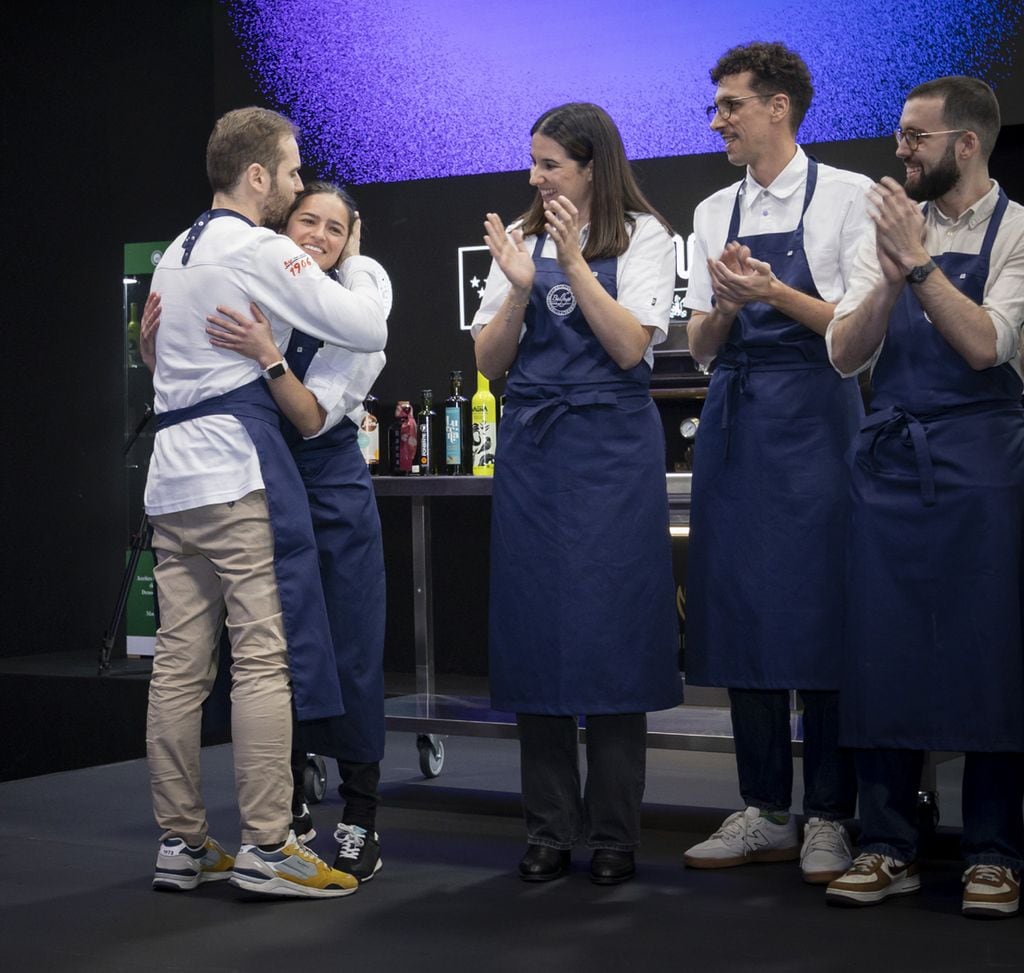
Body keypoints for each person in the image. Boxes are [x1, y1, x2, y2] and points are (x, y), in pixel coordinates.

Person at [144, 107, 386, 899]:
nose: (294, 187)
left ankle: (181, 843)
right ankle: (269, 843)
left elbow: (160, 353)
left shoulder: (174, 253)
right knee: (262, 658)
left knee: (179, 666)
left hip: (168, 479)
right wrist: (329, 272)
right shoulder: (255, 246)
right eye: (289, 174)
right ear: (256, 177)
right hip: (231, 473)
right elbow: (358, 319)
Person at [824, 76, 1024, 918]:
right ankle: (887, 842)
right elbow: (843, 353)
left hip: (984, 467)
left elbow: (986, 344)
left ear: (967, 145)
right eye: (901, 135)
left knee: (989, 657)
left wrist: (920, 265)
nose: (900, 150)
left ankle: (994, 850)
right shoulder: (891, 223)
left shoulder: (1017, 231)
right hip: (890, 466)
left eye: (916, 137)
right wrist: (887, 277)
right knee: (883, 654)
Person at [472, 102, 681, 886]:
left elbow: (632, 346)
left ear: (592, 166)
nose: (535, 177)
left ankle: (616, 833)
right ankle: (549, 826)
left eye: (551, 164)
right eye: (533, 162)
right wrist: (523, 288)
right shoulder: (518, 244)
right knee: (539, 636)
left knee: (616, 637)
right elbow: (492, 361)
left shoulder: (646, 238)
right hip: (536, 456)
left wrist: (578, 263)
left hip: (614, 456)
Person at [681, 42, 870, 883]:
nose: (717, 119)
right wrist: (723, 308)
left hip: (818, 416)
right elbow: (697, 346)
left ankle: (831, 811)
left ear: (778, 108)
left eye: (729, 104)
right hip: (736, 417)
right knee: (742, 611)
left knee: (824, 615)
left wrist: (774, 294)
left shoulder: (848, 198)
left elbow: (860, 332)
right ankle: (764, 807)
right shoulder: (711, 209)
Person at [201, 181, 391, 882]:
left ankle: (361, 817)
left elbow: (313, 417)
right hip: (263, 475)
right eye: (306, 219)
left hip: (332, 482)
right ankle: (287, 814)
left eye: (333, 228)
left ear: (350, 241)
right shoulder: (263, 277)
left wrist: (266, 355)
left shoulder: (363, 299)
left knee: (351, 647)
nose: (317, 234)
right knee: (270, 644)